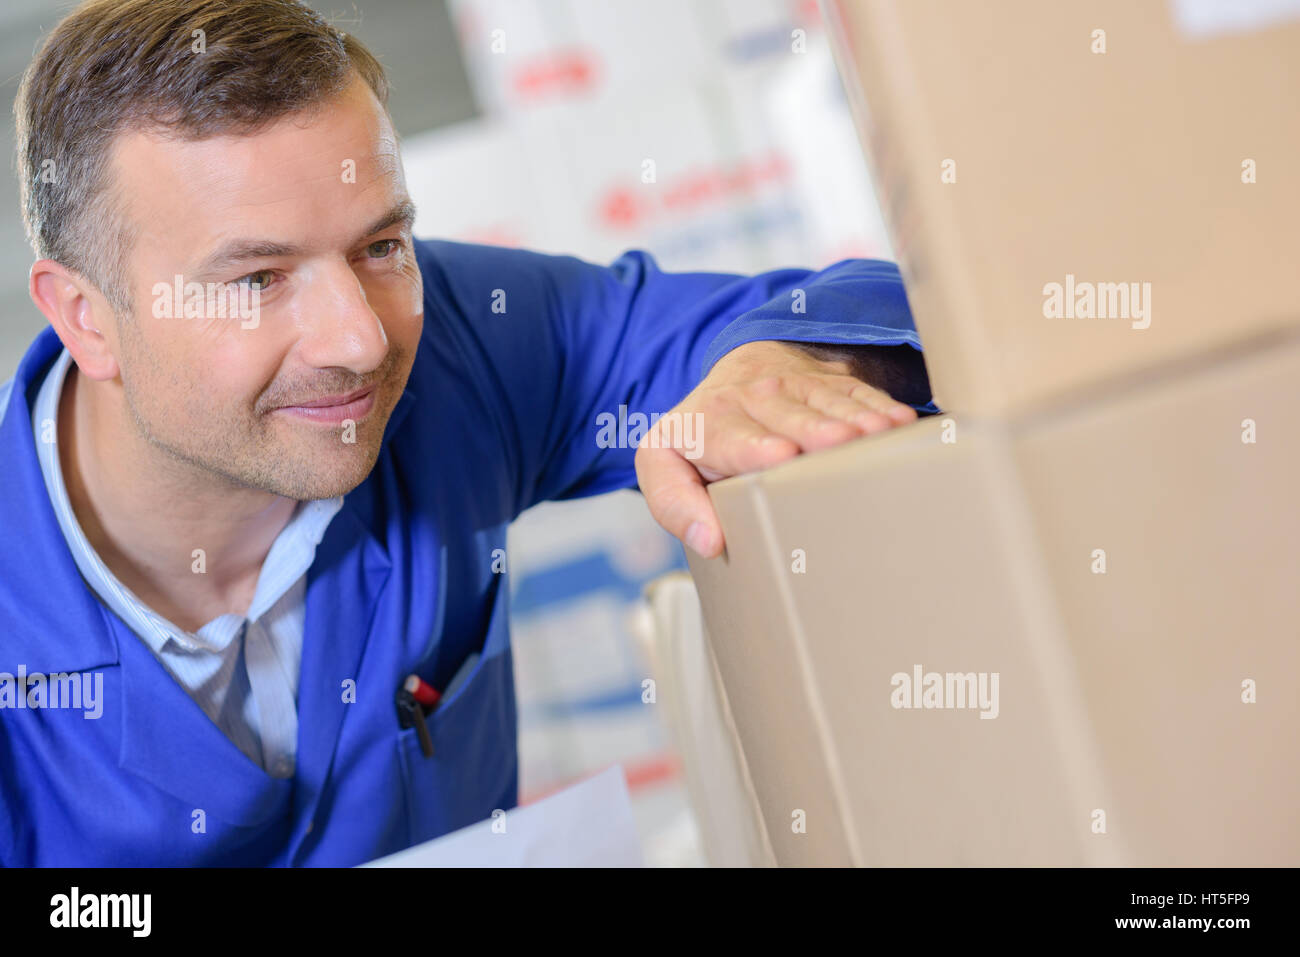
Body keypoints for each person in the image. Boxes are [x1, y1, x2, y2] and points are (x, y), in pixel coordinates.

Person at [0, 0, 933, 866]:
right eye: (257, 280)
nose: (360, 339)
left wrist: (782, 368)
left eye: (380, 246)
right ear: (84, 316)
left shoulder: (462, 342)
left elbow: (879, 305)